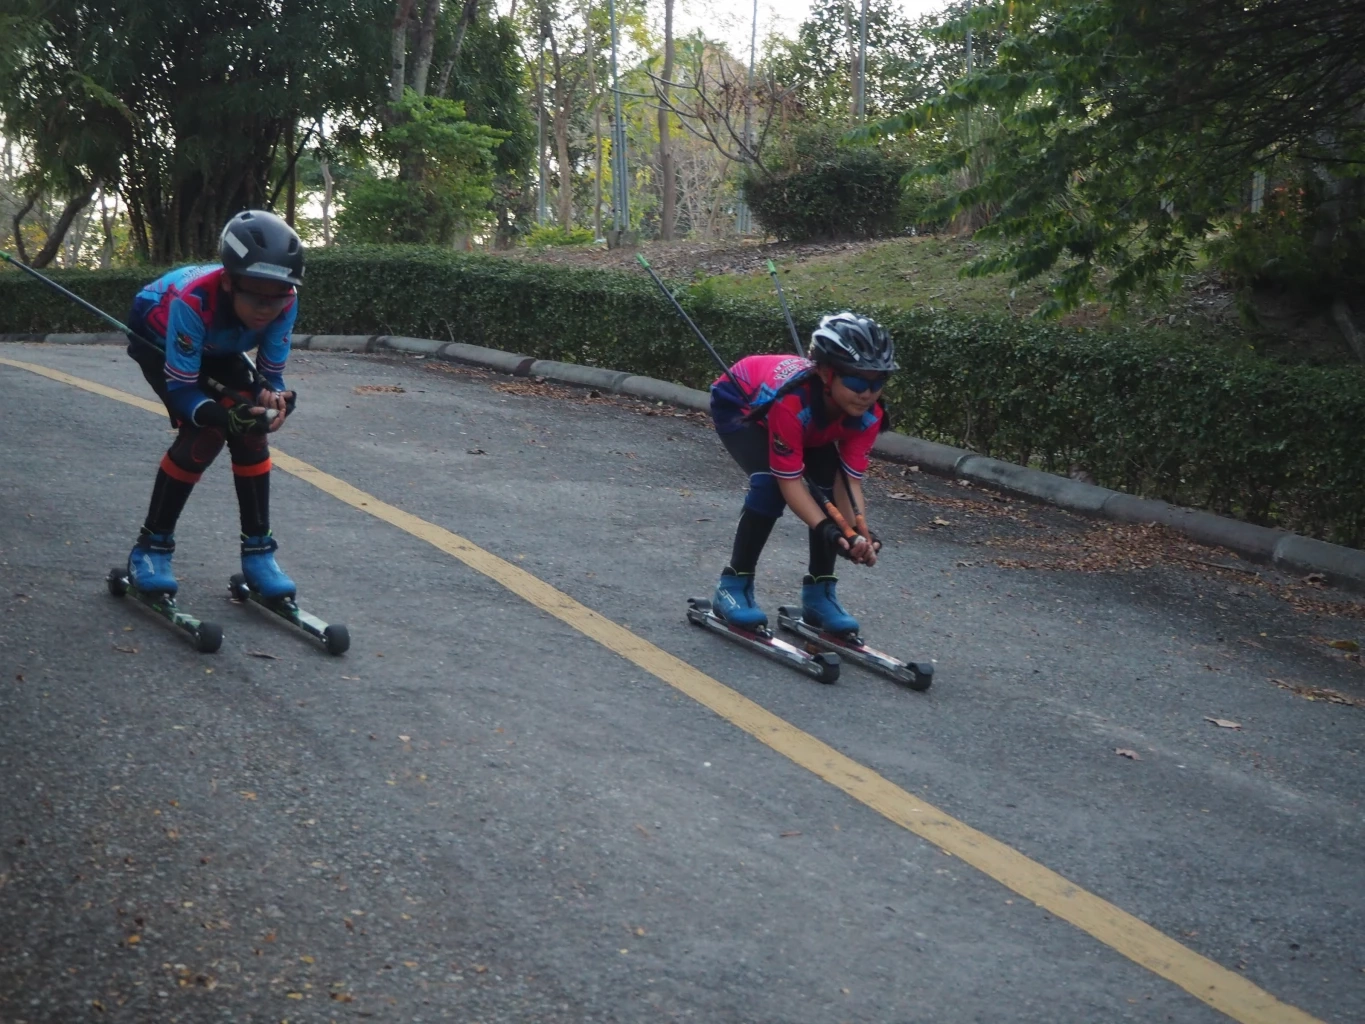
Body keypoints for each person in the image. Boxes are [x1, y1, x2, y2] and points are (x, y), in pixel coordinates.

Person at [122, 209, 303, 600]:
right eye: (256, 294)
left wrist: (277, 398)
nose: (266, 308)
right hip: (159, 335)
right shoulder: (193, 301)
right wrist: (221, 415)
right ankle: (151, 549)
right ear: (228, 282)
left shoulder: (286, 302)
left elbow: (271, 376)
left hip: (220, 342)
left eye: (278, 295)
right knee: (206, 432)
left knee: (253, 431)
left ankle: (259, 554)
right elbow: (184, 390)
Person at [708, 312, 896, 635]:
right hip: (742, 405)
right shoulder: (792, 404)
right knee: (769, 484)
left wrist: (856, 533)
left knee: (827, 481)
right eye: (856, 381)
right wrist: (829, 531)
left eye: (877, 382)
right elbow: (790, 483)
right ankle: (733, 585)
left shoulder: (869, 413)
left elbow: (848, 482)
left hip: (808, 422)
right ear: (825, 373)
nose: (867, 393)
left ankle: (819, 595)